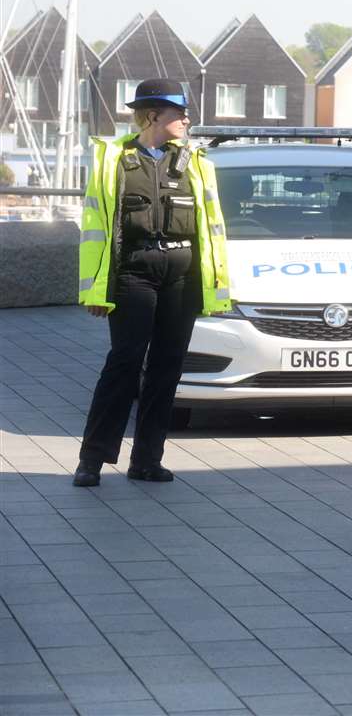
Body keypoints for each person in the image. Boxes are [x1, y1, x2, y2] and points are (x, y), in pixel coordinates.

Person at [73, 79, 232, 487]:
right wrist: (96, 291)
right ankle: (91, 459)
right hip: (133, 273)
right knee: (124, 364)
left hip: (182, 275)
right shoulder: (114, 159)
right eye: (180, 113)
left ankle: (146, 460)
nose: (187, 120)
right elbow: (96, 227)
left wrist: (214, 287)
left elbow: (212, 229)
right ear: (154, 115)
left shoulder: (197, 162)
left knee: (166, 368)